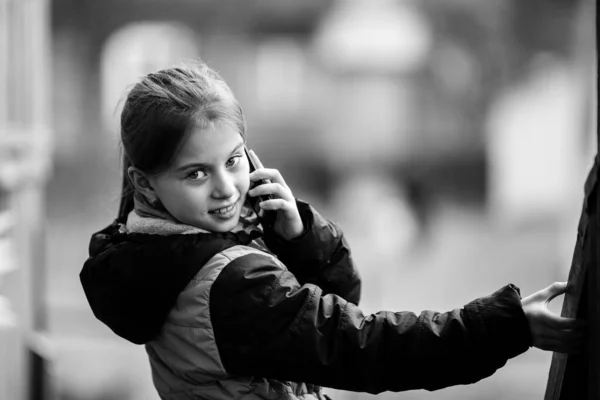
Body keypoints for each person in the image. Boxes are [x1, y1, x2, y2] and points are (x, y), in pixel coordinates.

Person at [79, 61, 585, 400]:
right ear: (145, 187)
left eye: (233, 161)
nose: (226, 189)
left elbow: (333, 306)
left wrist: (298, 237)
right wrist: (504, 325)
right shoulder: (230, 283)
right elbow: (364, 346)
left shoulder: (150, 253)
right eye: (195, 173)